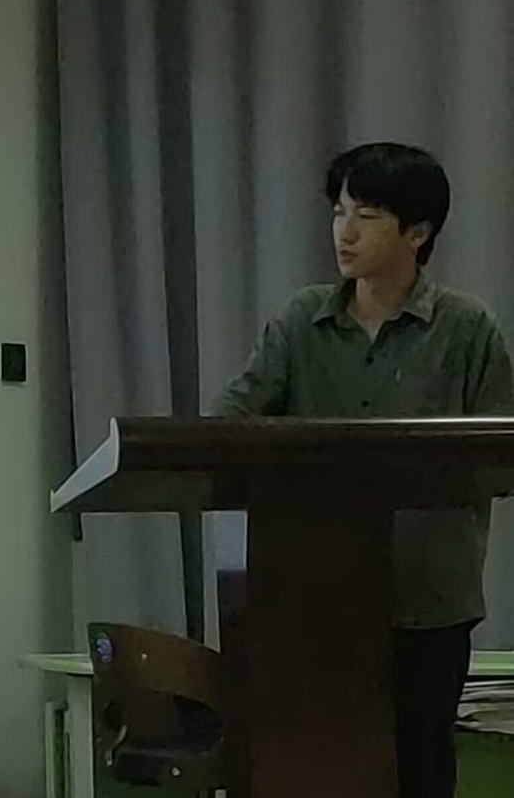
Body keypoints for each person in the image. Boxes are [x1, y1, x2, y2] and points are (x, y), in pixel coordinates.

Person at [211, 142, 514, 798]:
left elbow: (500, 457)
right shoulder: (301, 321)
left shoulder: (466, 328)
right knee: (312, 770)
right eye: (339, 212)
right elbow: (226, 426)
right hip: (312, 597)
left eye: (367, 216)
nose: (344, 232)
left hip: (428, 599)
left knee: (420, 769)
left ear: (418, 232)